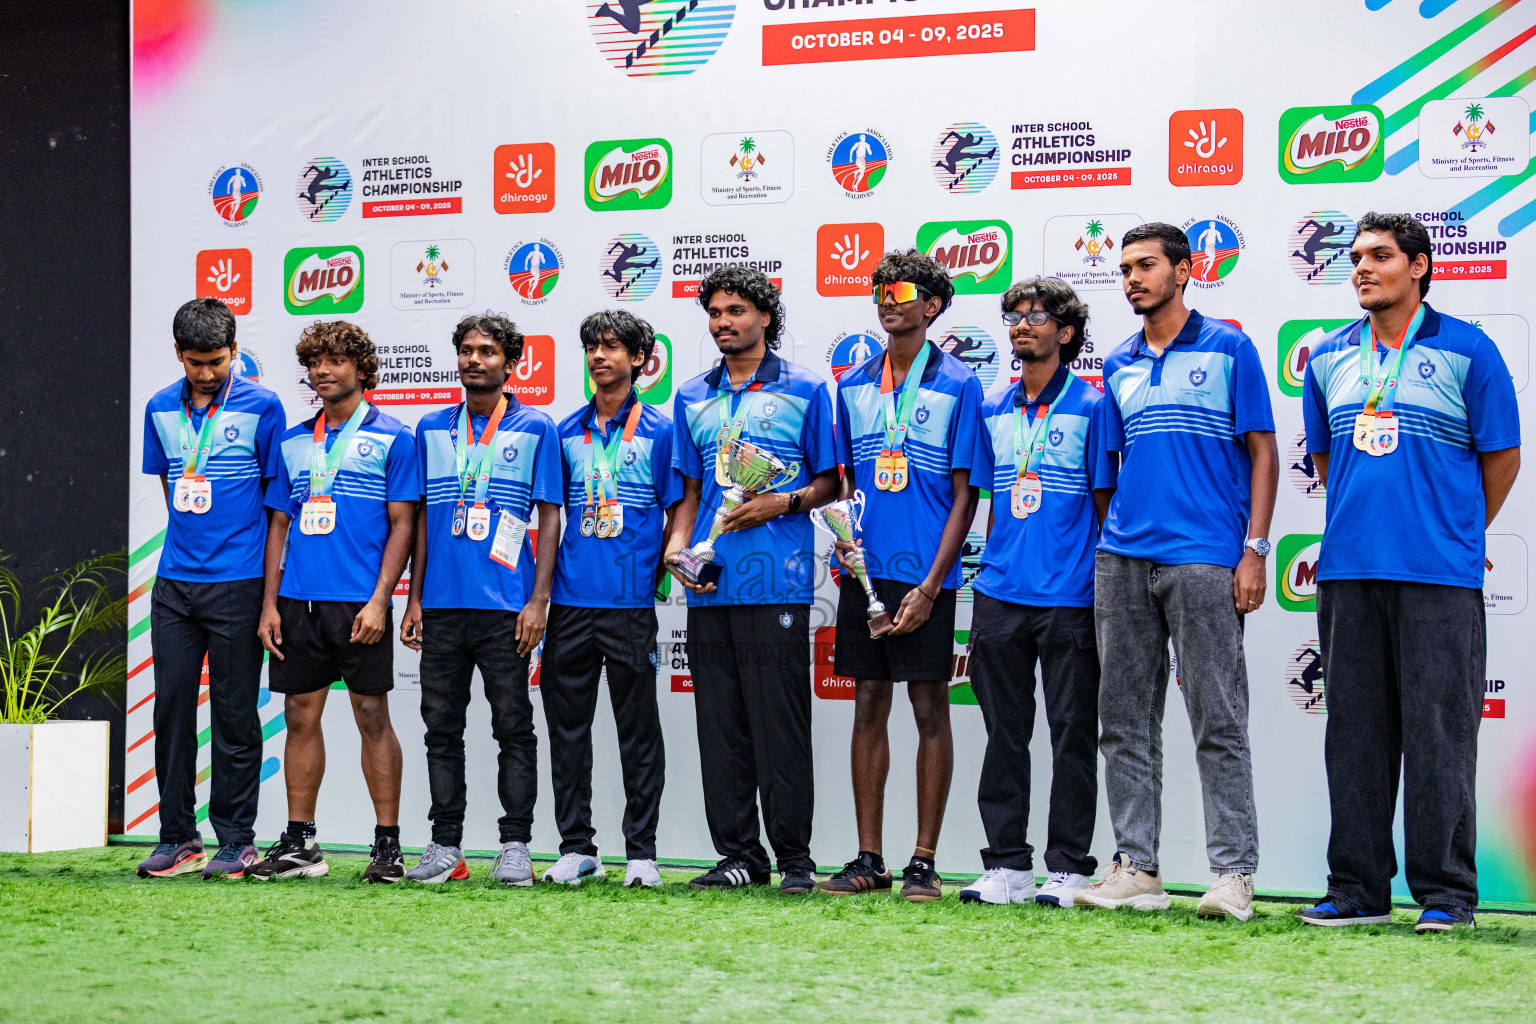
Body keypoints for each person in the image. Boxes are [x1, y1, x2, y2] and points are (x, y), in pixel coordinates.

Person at [1298, 213, 1520, 934]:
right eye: (1356, 257)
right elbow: (1328, 463)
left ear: (1419, 266)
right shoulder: (1329, 357)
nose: (1361, 267)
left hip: (1438, 576)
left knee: (1439, 735)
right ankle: (1357, 887)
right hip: (1349, 571)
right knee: (1355, 735)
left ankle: (1446, 896)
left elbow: (1502, 459)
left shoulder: (1469, 351)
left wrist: (1455, 532)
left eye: (1380, 256)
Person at [1079, 222, 1278, 922]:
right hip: (1123, 560)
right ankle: (1137, 867)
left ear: (1184, 270)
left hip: (1205, 557)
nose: (1131, 277)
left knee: (1218, 717)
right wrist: (1116, 537)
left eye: (1146, 265)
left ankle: (1233, 874)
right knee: (1124, 718)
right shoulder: (1121, 360)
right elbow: (1108, 465)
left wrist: (1254, 548)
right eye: (1124, 267)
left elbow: (1262, 451)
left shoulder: (1230, 346)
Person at [664, 265, 839, 894]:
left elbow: (831, 482)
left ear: (766, 316)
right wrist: (679, 550)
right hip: (711, 585)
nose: (723, 323)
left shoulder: (807, 389)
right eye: (714, 312)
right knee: (721, 727)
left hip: (780, 586)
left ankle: (795, 859)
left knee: (779, 727)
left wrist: (781, 503)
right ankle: (739, 855)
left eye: (736, 310)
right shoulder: (690, 394)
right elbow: (688, 492)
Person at [818, 250, 980, 902]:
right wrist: (846, 548)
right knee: (866, 706)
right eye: (879, 290)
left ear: (932, 305)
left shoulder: (959, 384)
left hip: (925, 577)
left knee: (929, 706)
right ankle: (869, 857)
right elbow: (846, 483)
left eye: (902, 290)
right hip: (865, 575)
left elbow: (967, 495)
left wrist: (932, 587)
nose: (887, 300)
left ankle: (923, 859)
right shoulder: (853, 382)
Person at [960, 277, 1115, 909]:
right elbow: (988, 501)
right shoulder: (993, 406)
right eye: (1014, 316)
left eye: (1037, 316)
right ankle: (1006, 866)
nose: (1022, 326)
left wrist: (1105, 591)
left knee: (1073, 733)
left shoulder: (1092, 406)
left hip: (1072, 596)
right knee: (1003, 733)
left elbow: (1105, 506)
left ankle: (1069, 866)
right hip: (1000, 593)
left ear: (1067, 331)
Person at [249, 321, 418, 883]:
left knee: (372, 716)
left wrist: (380, 601)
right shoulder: (294, 440)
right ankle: (301, 843)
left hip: (358, 604)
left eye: (335, 361)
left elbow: (403, 525)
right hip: (298, 602)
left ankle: (387, 845)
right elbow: (279, 525)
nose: (322, 370)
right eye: (314, 362)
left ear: (362, 369)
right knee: (299, 716)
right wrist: (270, 604)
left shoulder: (396, 437)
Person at [397, 313, 562, 887]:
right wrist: (413, 598)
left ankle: (515, 844)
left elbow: (549, 518)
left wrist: (538, 600)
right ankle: (446, 846)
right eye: (465, 350)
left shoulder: (538, 427)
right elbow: (418, 518)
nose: (473, 360)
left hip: (506, 609)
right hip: (442, 607)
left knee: (513, 727)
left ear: (510, 362)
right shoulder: (430, 428)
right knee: (440, 729)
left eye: (487, 351)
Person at [136, 298, 287, 880]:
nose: (206, 373)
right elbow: (173, 485)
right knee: (172, 709)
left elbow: (278, 505)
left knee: (233, 712)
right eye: (195, 362)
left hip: (239, 582)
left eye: (217, 362)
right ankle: (177, 836)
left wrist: (269, 597)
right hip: (174, 584)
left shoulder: (263, 406)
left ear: (235, 352)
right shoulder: (158, 409)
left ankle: (236, 839)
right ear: (178, 353)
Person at [538, 310, 682, 889]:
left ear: (640, 360)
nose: (600, 356)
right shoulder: (563, 429)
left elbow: (680, 508)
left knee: (637, 730)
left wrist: (669, 558)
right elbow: (551, 518)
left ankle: (642, 853)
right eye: (593, 347)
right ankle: (577, 847)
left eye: (614, 347)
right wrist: (541, 598)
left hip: (629, 606)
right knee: (566, 730)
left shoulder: (662, 430)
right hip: (571, 605)